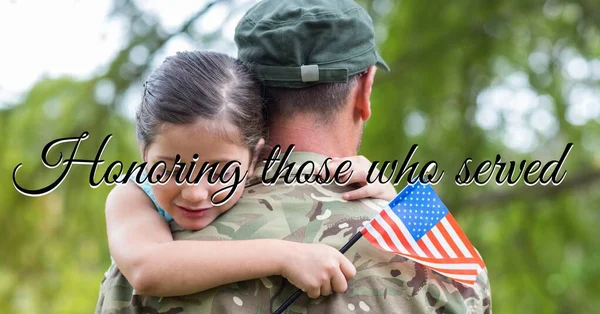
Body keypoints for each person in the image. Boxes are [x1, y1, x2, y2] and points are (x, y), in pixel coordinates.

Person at [96, 0, 492, 313]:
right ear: (365, 89)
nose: (197, 193)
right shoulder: (436, 246)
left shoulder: (143, 256)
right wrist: (388, 206)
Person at [99, 50, 398, 301]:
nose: (194, 192)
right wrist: (285, 257)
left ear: (256, 157)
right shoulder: (132, 197)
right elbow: (148, 269)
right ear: (144, 152)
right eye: (170, 168)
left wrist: (387, 195)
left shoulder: (274, 174)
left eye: (219, 172)